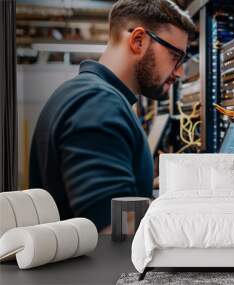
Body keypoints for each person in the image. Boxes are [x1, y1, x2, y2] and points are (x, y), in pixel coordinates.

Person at [29, 0, 196, 231]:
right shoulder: (97, 103)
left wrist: (149, 187)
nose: (179, 72)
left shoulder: (90, 93)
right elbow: (114, 229)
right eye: (176, 56)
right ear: (138, 41)